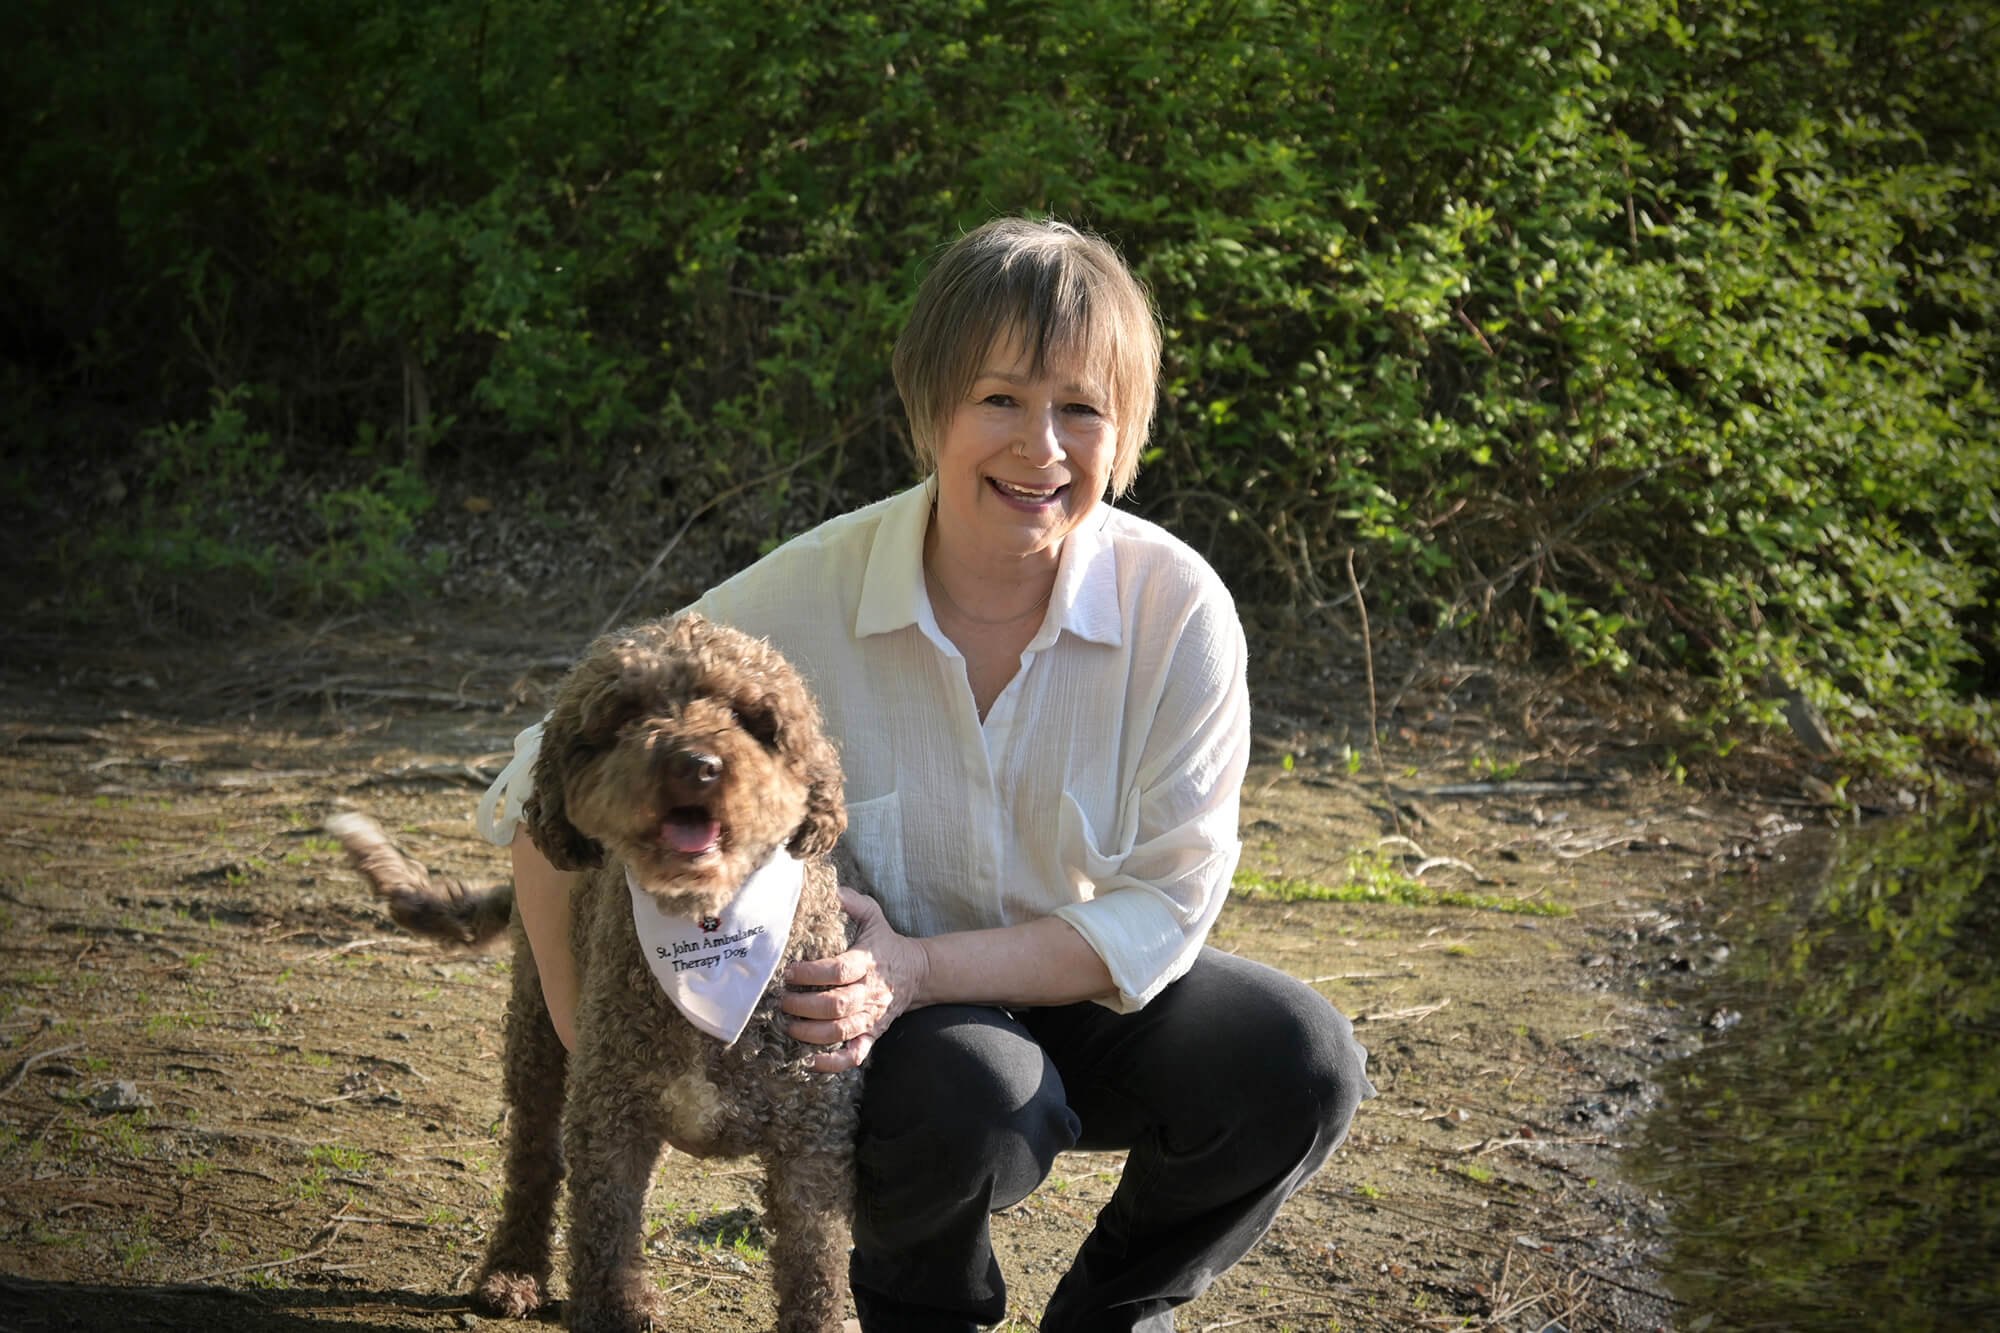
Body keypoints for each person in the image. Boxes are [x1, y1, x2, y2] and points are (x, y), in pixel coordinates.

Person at [477, 217, 1375, 1333]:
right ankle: (919, 1314)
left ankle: (1113, 1315)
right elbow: (533, 783)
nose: (1039, 446)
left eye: (1080, 408)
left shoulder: (1177, 608)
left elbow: (1167, 904)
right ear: (928, 408)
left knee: (1301, 1061)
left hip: (1077, 992)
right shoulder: (805, 592)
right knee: (973, 1099)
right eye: (997, 398)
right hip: (903, 1052)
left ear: (1126, 430)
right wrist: (588, 1040)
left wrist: (920, 964)